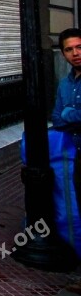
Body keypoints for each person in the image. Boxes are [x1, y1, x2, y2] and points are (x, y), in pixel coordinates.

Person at [51, 27, 81, 216]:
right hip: (74, 154)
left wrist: (67, 114)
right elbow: (55, 118)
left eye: (79, 47)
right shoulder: (65, 84)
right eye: (69, 50)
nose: (75, 53)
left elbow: (62, 116)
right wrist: (74, 115)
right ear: (63, 54)